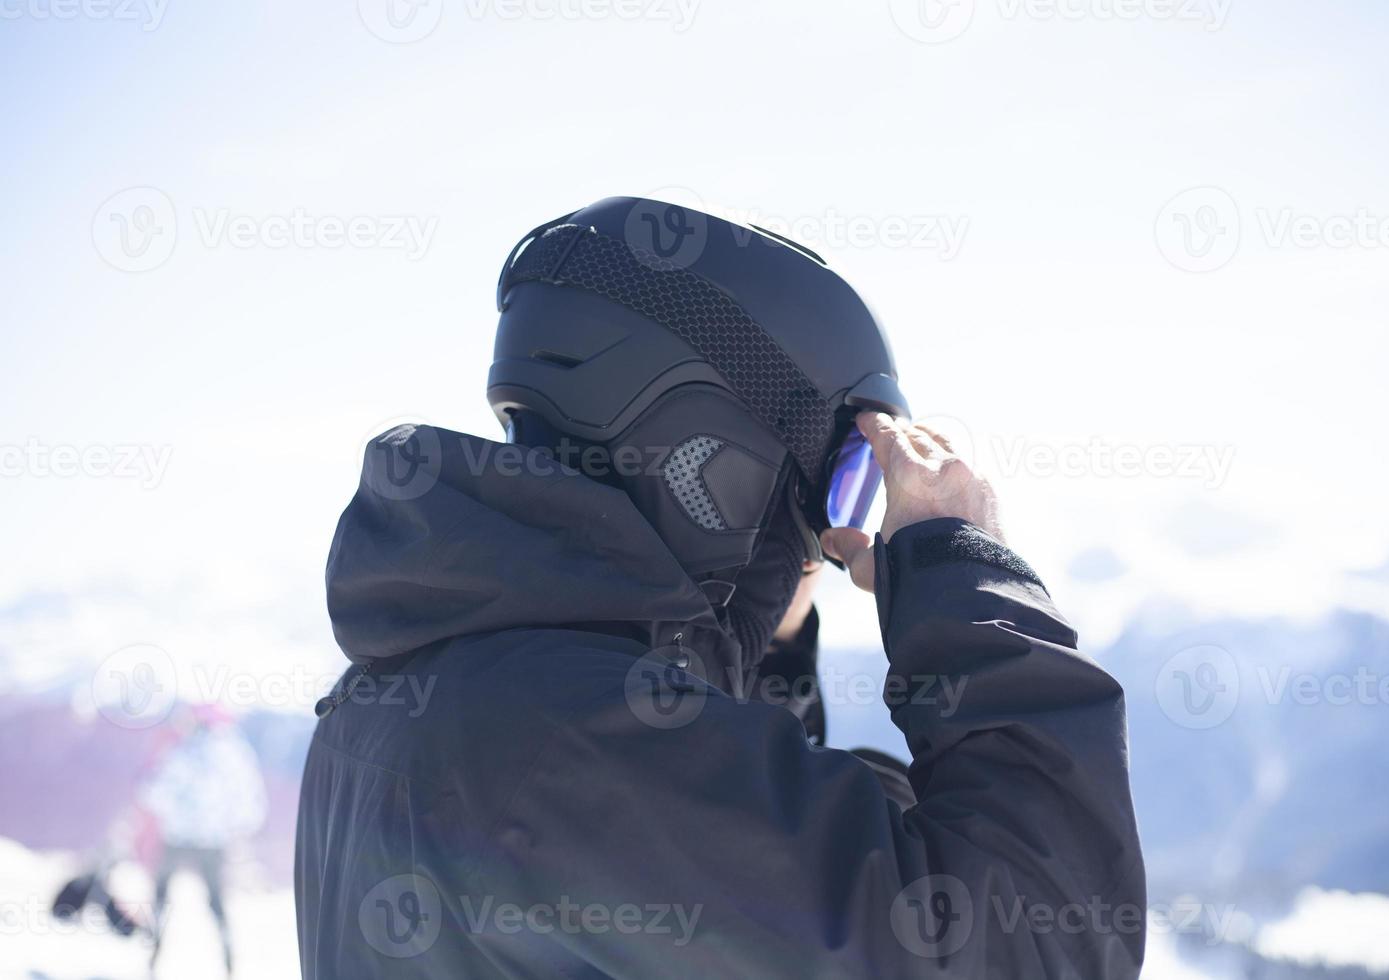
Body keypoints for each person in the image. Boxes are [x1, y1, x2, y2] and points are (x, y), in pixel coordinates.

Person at [296, 197, 1146, 978]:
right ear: (710, 466)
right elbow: (1041, 941)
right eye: (840, 483)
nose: (827, 534)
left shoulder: (416, 688)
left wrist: (763, 634)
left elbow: (754, 844)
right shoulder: (570, 747)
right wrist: (967, 572)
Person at [142, 702, 267, 977]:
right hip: (214, 841)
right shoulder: (237, 753)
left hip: (178, 835)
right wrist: (236, 829)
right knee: (217, 903)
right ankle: (229, 962)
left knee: (161, 899)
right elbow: (251, 801)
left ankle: (151, 960)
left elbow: (155, 792)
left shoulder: (183, 750)